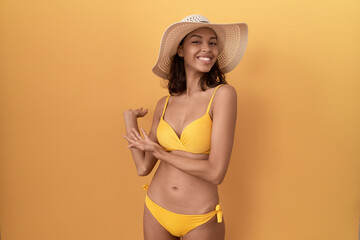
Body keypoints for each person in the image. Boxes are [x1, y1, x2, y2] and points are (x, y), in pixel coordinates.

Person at [123, 14, 248, 240]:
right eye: (196, 41)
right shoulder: (164, 104)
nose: (207, 49)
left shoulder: (223, 95)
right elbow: (143, 168)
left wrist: (161, 153)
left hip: (199, 217)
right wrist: (130, 119)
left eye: (212, 43)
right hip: (156, 209)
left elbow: (216, 172)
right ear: (180, 50)